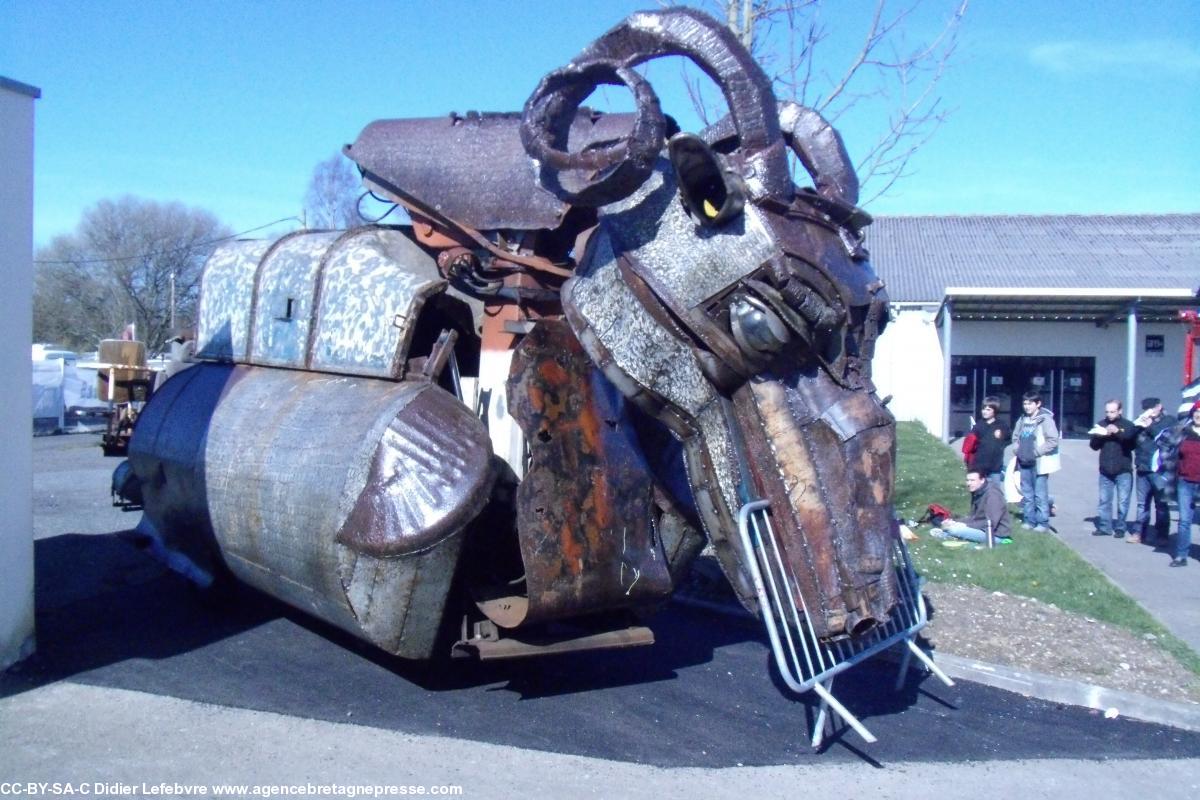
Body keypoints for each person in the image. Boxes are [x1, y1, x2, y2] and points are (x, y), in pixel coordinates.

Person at [1158, 400, 1200, 567]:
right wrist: (1168, 462)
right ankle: (1181, 556)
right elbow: (1162, 442)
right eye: (1196, 412)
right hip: (1185, 481)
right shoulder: (1182, 431)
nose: (1198, 415)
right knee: (1184, 520)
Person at [1011, 391, 1060, 532]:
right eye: (1024, 403)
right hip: (1023, 461)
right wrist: (1016, 449)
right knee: (1027, 494)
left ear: (1038, 404)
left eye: (1030, 404)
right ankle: (1029, 520)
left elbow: (1053, 440)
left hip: (1038, 464)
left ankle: (1042, 523)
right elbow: (1015, 436)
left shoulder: (1045, 419)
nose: (1026, 407)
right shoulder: (1022, 419)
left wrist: (1036, 452)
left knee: (1040, 495)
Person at [1089, 399, 1138, 539]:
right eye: (1107, 412)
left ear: (1120, 411)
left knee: (1123, 501)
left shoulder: (1128, 425)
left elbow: (1131, 443)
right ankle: (1105, 527)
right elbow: (1093, 446)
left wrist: (1117, 432)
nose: (1109, 414)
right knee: (1104, 500)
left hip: (1123, 469)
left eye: (1112, 411)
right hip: (1105, 469)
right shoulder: (1101, 424)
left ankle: (1120, 527)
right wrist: (1100, 436)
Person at [934, 468, 1013, 545]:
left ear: (982, 480)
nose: (969, 483)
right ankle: (949, 533)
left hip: (995, 535)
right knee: (945, 527)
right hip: (982, 529)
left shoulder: (993, 495)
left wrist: (965, 525)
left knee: (954, 530)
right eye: (967, 480)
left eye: (972, 480)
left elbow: (990, 523)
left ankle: (949, 534)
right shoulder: (978, 492)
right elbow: (974, 518)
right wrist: (955, 522)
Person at [1130, 396, 1170, 545]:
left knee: (1161, 504)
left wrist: (1150, 426)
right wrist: (1136, 426)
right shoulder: (1142, 420)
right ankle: (1139, 532)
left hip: (1160, 469)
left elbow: (1165, 438)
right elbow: (1130, 439)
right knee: (1142, 504)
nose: (1149, 411)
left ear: (1159, 406)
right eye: (1146, 408)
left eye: (1152, 407)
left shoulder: (1168, 421)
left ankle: (1162, 535)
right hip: (1142, 467)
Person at [968, 396, 1011, 484]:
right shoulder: (978, 426)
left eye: (988, 410)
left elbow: (1009, 439)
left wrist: (1001, 436)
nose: (984, 412)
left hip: (995, 466)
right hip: (979, 466)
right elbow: (971, 444)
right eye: (983, 409)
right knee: (980, 490)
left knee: (995, 490)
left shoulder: (1001, 425)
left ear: (995, 411)